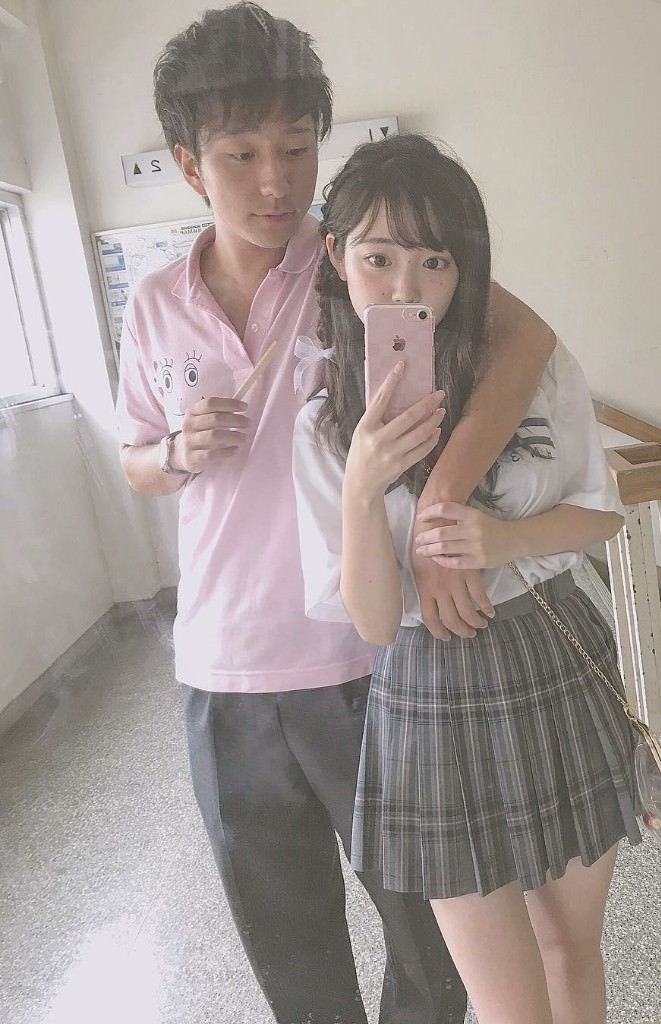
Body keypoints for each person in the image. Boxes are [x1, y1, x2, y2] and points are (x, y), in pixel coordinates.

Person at [115, 4, 556, 1022]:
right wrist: (176, 452)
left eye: (297, 148)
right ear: (188, 165)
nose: (276, 181)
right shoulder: (153, 304)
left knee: (433, 948)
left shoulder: (358, 261)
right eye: (241, 154)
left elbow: (525, 342)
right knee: (291, 956)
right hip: (222, 672)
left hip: (368, 657)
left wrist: (443, 498)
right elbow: (135, 461)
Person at [292, 133, 643, 1024]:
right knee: (506, 1003)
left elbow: (601, 514)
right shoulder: (322, 423)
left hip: (550, 658)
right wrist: (363, 489)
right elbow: (375, 624)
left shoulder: (534, 372)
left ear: (464, 269)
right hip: (428, 692)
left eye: (434, 262)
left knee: (571, 952)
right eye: (378, 258)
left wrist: (504, 538)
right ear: (334, 256)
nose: (405, 289)